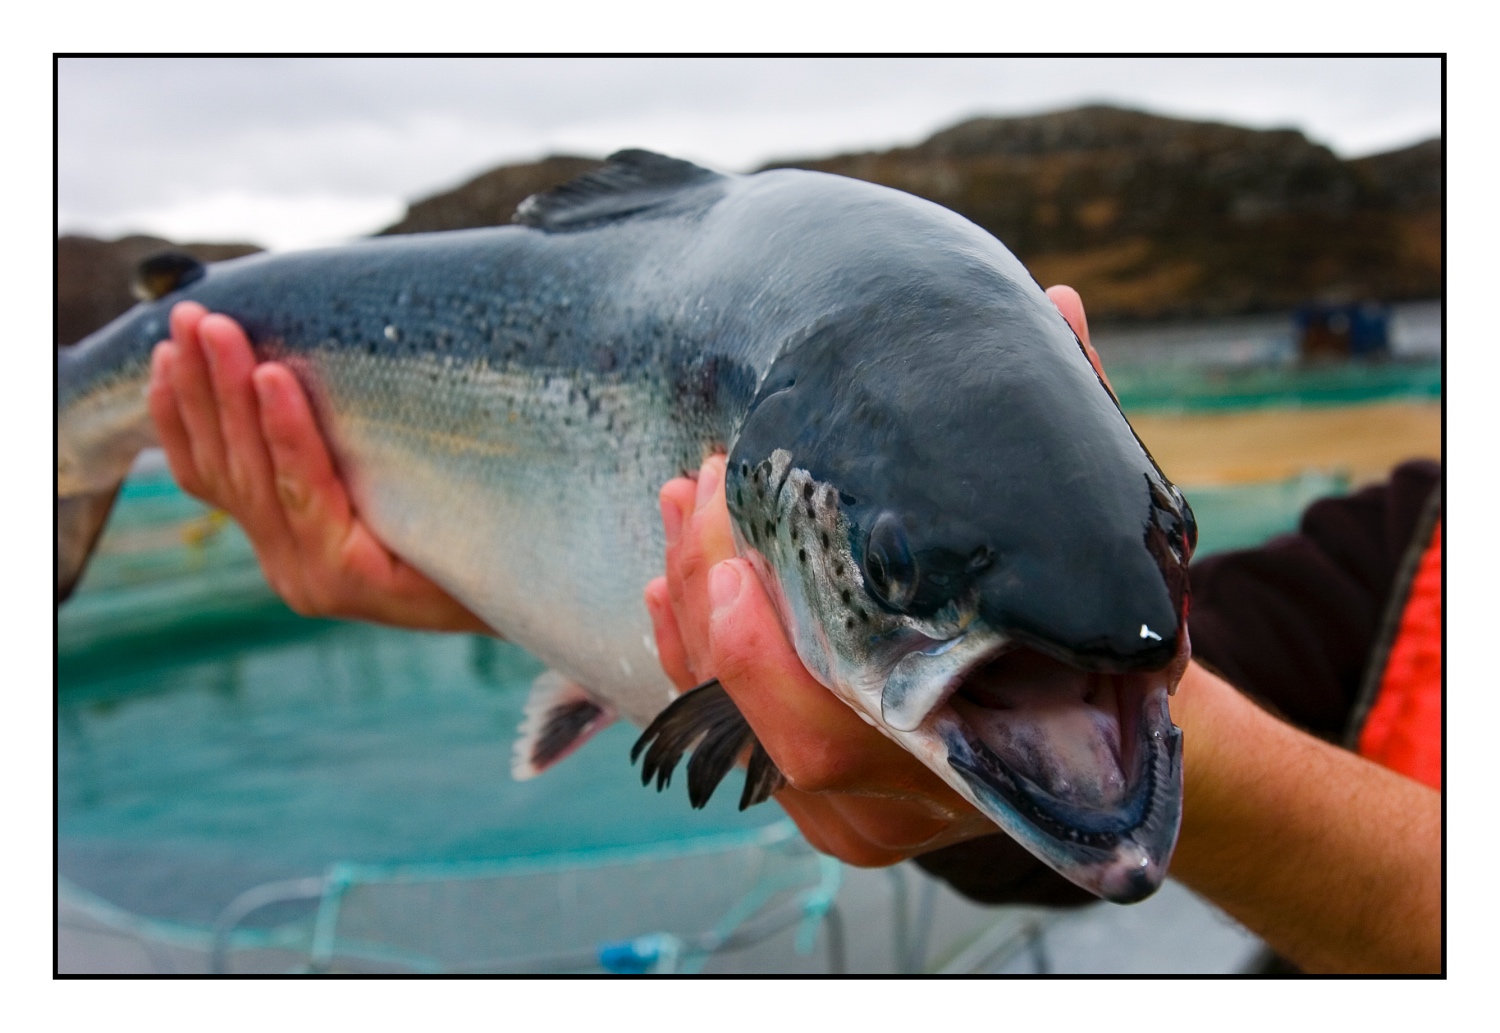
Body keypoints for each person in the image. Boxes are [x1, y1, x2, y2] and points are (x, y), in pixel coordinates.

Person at [145, 288, 1441, 974]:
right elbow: (1039, 806)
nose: (1147, 628)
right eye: (895, 569)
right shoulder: (1406, 540)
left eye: (1166, 543)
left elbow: (1132, 654)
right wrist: (493, 565)